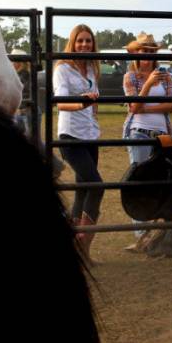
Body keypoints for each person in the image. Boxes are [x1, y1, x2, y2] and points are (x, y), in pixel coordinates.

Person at [122, 33, 172, 244]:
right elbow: (133, 107)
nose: (147, 54)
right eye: (143, 50)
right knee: (138, 182)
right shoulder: (131, 77)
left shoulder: (164, 75)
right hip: (139, 133)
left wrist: (146, 106)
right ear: (136, 53)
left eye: (150, 51)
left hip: (162, 134)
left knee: (169, 180)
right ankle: (142, 235)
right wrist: (147, 87)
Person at [52, 24, 104, 263]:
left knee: (83, 188)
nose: (84, 44)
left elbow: (94, 100)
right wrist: (81, 103)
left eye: (88, 41)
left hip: (91, 135)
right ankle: (81, 241)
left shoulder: (92, 69)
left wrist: (92, 113)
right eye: (80, 40)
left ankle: (79, 251)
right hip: (71, 135)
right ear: (72, 42)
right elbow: (61, 103)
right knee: (96, 185)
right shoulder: (63, 68)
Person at [11, 48, 32, 135]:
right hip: (23, 111)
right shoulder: (24, 74)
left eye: (13, 61)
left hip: (23, 111)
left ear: (19, 63)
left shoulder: (22, 76)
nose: (11, 63)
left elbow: (24, 93)